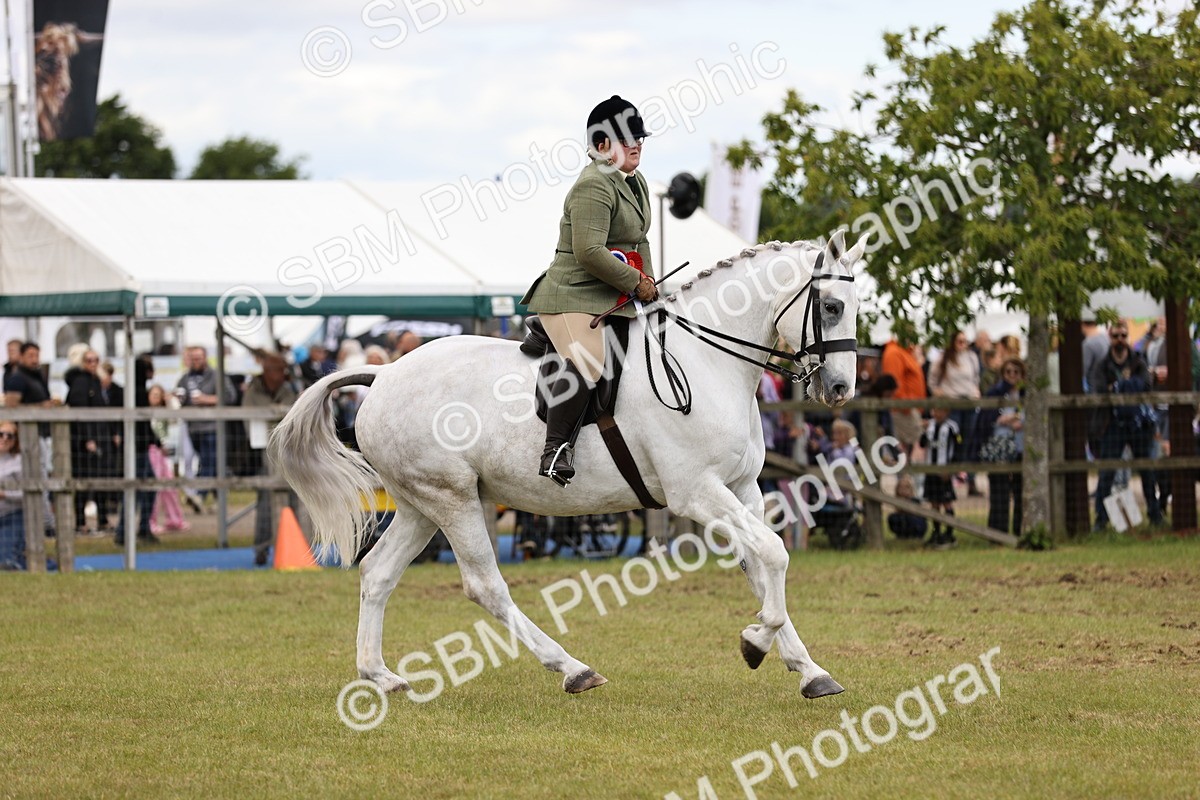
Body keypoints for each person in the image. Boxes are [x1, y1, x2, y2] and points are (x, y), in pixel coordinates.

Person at [520, 94, 656, 485]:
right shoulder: (593, 185)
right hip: (572, 293)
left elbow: (639, 240)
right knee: (591, 359)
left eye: (639, 138)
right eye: (627, 139)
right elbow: (589, 252)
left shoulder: (635, 182)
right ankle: (555, 450)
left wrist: (650, 283)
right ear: (601, 145)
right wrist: (635, 283)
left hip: (609, 296)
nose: (636, 145)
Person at [1087, 321, 1161, 529]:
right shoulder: (1102, 364)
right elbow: (1099, 389)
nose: (1120, 340)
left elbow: (1146, 384)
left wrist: (1118, 386)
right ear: (1109, 338)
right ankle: (1102, 520)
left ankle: (1155, 516)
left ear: (1128, 337)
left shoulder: (1138, 361)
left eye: (1123, 335)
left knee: (1146, 471)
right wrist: (1128, 386)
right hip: (1112, 423)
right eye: (1115, 336)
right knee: (1108, 473)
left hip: (1138, 424)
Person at [242, 354, 299, 565]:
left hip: (288, 454)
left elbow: (293, 418)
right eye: (279, 370)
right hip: (263, 455)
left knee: (295, 500)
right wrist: (276, 417)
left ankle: (296, 545)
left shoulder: (288, 391)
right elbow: (249, 424)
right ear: (268, 372)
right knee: (265, 502)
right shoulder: (252, 394)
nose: (283, 375)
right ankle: (262, 547)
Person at [174, 346, 237, 503]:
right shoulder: (185, 378)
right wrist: (178, 398)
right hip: (193, 428)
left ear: (205, 358)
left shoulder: (217, 376)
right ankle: (218, 494)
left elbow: (230, 397)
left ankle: (199, 495)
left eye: (199, 358)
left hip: (212, 427)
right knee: (208, 463)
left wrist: (207, 399)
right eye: (193, 358)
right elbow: (180, 399)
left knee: (209, 461)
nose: (196, 361)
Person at [928, 329, 983, 496]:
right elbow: (932, 381)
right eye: (959, 341)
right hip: (952, 404)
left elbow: (975, 379)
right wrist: (939, 393)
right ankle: (948, 481)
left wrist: (976, 392)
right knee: (952, 442)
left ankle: (968, 479)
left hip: (969, 403)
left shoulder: (971, 357)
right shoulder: (943, 358)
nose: (962, 344)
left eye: (965, 341)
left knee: (967, 442)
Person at [115, 356, 160, 546]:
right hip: (138, 448)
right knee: (137, 489)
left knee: (144, 488)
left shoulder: (127, 391)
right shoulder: (139, 393)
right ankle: (126, 531)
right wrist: (156, 441)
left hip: (135, 446)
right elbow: (143, 423)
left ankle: (138, 528)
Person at [979, 358, 1026, 534]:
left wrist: (1019, 420)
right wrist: (1002, 420)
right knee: (999, 490)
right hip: (999, 447)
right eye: (1008, 372)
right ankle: (998, 531)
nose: (1012, 375)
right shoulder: (995, 393)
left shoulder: (1026, 394)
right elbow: (986, 419)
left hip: (1021, 445)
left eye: (1016, 372)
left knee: (1021, 490)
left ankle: (1020, 530)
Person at [63, 346, 105, 534]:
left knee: (98, 481)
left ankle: (101, 520)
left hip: (97, 436)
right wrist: (88, 438)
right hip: (84, 442)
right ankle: (81, 522)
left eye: (96, 360)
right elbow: (80, 412)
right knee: (83, 481)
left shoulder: (95, 381)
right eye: (89, 360)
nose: (93, 364)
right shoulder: (81, 382)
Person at [146, 384, 189, 534]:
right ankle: (150, 521)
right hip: (151, 450)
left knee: (169, 486)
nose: (155, 398)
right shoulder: (144, 412)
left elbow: (176, 415)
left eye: (158, 395)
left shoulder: (164, 412)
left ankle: (174, 519)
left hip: (162, 452)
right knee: (154, 487)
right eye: (153, 395)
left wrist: (171, 399)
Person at [920, 406, 960, 549]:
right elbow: (922, 444)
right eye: (935, 410)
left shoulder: (952, 427)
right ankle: (936, 533)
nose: (936, 413)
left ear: (947, 411)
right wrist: (923, 431)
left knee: (947, 502)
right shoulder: (929, 426)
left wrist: (950, 469)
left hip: (944, 472)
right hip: (931, 471)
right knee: (934, 503)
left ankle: (949, 533)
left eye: (940, 410)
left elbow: (958, 448)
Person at [881, 335, 927, 457]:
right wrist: (905, 406)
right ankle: (906, 470)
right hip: (903, 411)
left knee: (912, 448)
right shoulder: (894, 353)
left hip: (910, 409)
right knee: (909, 449)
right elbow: (894, 384)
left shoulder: (904, 353)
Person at [0, 420, 27, 569]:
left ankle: (47, 566)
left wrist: (4, 495)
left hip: (12, 517)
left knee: (5, 562)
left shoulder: (19, 462)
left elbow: (27, 494)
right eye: (1, 434)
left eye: (9, 436)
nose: (4, 439)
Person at [887, 475, 928, 540]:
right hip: (903, 524)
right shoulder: (897, 500)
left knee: (912, 518)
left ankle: (915, 536)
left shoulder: (915, 501)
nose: (903, 490)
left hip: (916, 526)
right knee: (893, 517)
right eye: (901, 487)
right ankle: (901, 535)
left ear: (911, 489)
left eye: (906, 487)